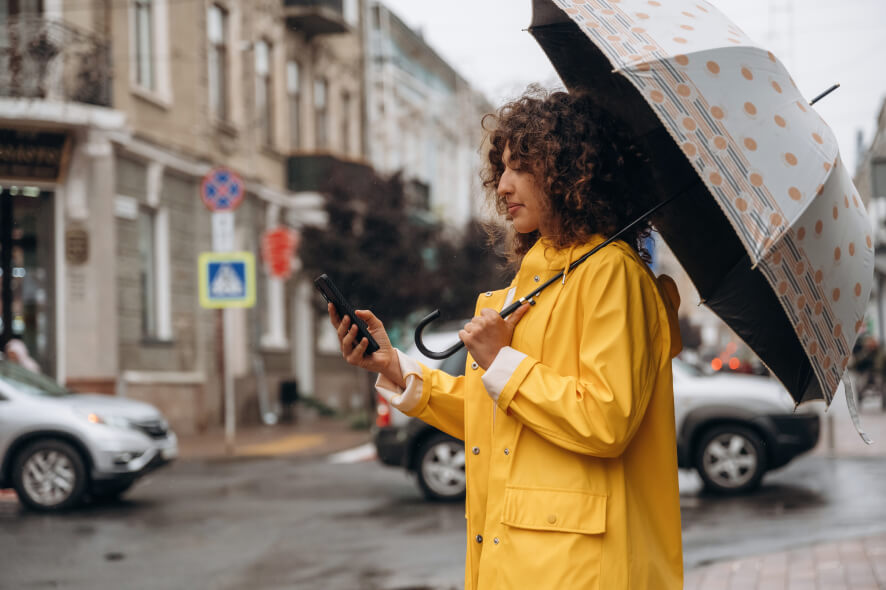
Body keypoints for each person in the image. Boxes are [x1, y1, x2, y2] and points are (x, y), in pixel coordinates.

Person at [329, 88, 684, 589]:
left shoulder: (609, 273)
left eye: (522, 168)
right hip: (517, 561)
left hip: (580, 570)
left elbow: (606, 420)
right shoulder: (534, 280)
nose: (503, 186)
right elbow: (498, 415)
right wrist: (396, 369)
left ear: (571, 173)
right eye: (502, 169)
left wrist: (502, 361)